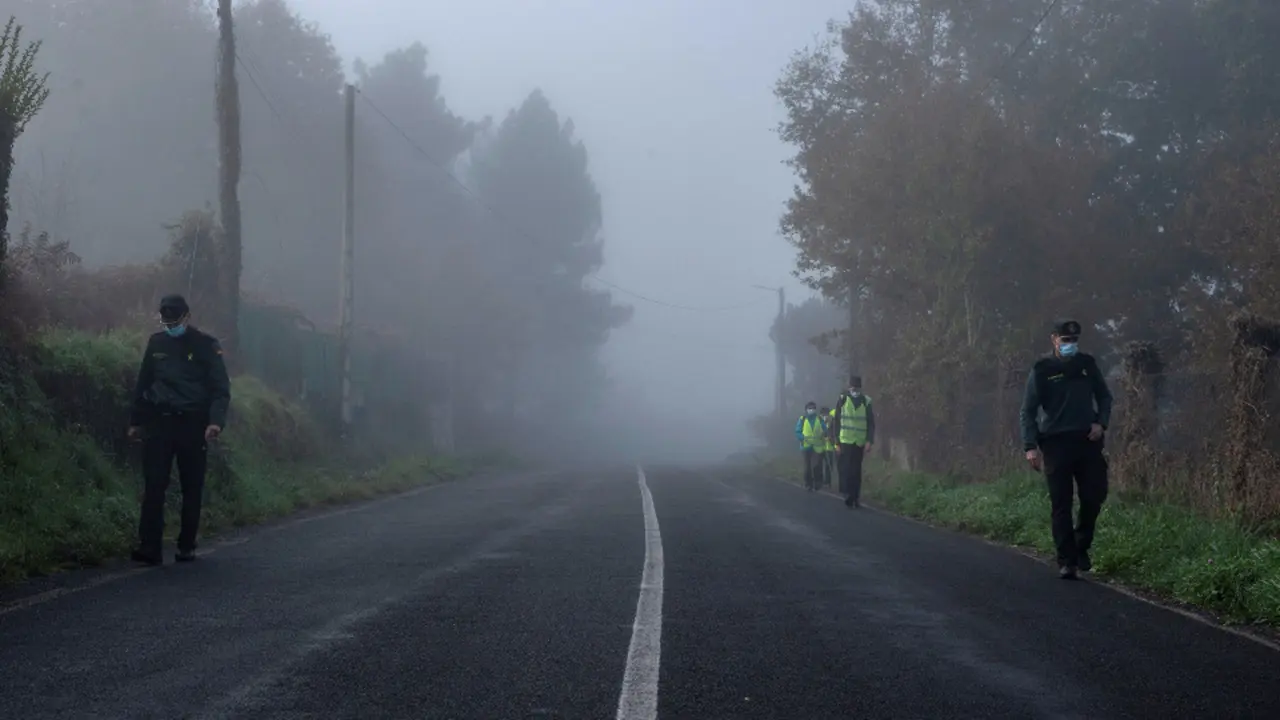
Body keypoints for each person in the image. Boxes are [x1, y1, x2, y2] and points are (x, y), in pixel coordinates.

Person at [128, 294, 231, 565]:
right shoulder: (156, 343)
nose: (170, 325)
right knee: (154, 485)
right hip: (159, 423)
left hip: (193, 425)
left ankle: (186, 544)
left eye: (175, 320)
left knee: (191, 487)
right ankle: (150, 547)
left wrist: (215, 422)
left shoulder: (206, 345)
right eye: (166, 320)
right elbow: (144, 383)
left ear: (187, 317)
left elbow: (220, 389)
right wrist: (136, 421)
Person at [1019, 319, 1113, 580]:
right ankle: (1067, 560)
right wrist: (1030, 447)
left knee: (1094, 496)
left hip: (1087, 441)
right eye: (1065, 340)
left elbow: (1104, 397)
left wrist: (1101, 423)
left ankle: (1081, 545)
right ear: (1054, 339)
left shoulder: (1087, 365)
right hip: (1056, 443)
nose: (1070, 344)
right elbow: (1028, 411)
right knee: (1061, 503)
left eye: (1074, 340)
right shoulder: (1042, 369)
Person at [834, 376, 875, 508]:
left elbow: (871, 423)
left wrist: (869, 441)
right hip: (845, 439)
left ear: (860, 387)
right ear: (849, 387)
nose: (854, 389)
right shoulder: (843, 399)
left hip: (859, 441)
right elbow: (837, 422)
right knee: (847, 469)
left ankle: (855, 497)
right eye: (852, 387)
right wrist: (837, 442)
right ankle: (848, 494)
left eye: (856, 387)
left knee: (856, 470)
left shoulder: (866, 401)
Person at [795, 401, 828, 491]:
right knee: (807, 467)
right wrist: (802, 438)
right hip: (806, 446)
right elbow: (797, 431)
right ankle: (808, 483)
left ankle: (817, 483)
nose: (811, 410)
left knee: (816, 465)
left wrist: (824, 434)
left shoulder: (819, 419)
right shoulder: (802, 419)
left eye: (813, 408)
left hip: (817, 446)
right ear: (806, 410)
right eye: (809, 408)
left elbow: (825, 429)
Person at [819, 406, 835, 488]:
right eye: (823, 414)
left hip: (829, 447)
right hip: (820, 447)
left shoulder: (831, 421)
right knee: (819, 464)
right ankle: (820, 480)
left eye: (826, 414)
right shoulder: (818, 422)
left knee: (829, 465)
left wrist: (831, 438)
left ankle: (828, 481)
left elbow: (833, 432)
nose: (825, 416)